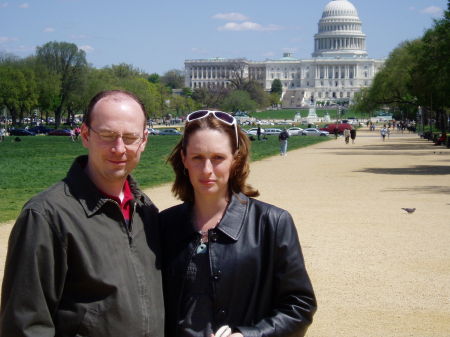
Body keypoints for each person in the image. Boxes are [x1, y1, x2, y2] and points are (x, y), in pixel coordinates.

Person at [0, 90, 164, 337]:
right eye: (107, 136)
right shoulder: (46, 216)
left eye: (130, 137)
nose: (119, 149)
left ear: (144, 141)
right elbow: (25, 326)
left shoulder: (146, 210)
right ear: (85, 135)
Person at [160, 110, 316, 337]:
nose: (207, 170)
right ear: (184, 159)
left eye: (218, 158)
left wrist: (249, 335)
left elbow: (299, 306)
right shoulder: (165, 224)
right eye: (197, 158)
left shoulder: (272, 223)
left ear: (236, 158)